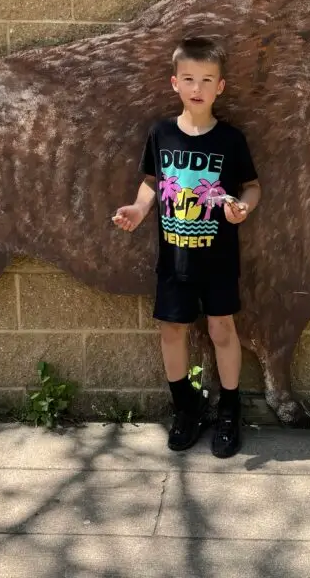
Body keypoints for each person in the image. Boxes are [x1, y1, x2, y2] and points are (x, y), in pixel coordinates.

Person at [112, 36, 261, 458]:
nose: (198, 87)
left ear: (221, 87)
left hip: (218, 258)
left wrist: (243, 209)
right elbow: (151, 183)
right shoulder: (160, 133)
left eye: (207, 79)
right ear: (174, 83)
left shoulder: (230, 139)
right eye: (190, 78)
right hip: (174, 257)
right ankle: (186, 408)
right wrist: (140, 211)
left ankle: (229, 412)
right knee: (172, 329)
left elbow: (251, 188)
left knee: (221, 329)